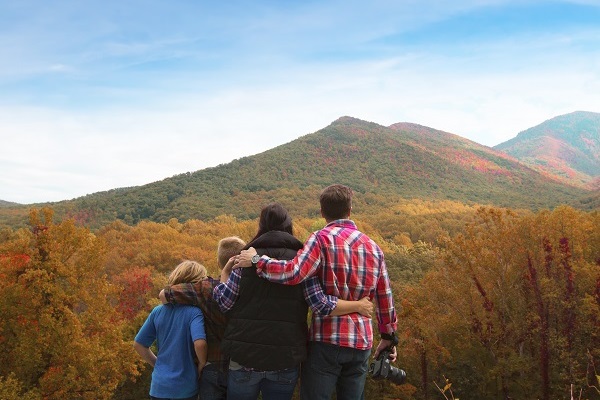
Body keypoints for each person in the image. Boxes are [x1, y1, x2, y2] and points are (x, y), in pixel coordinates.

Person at [165, 203, 372, 400]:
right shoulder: (301, 262)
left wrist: (224, 274)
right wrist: (358, 305)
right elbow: (319, 303)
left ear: (261, 226)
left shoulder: (246, 259)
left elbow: (224, 303)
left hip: (244, 360)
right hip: (285, 360)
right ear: (288, 225)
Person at [235, 185, 398, 400]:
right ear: (350, 210)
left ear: (322, 212)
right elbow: (385, 297)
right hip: (361, 342)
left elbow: (293, 272)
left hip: (326, 341)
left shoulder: (320, 239)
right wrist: (388, 336)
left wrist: (257, 260)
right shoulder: (373, 247)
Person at [159, 236, 246, 400]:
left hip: (212, 365)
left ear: (219, 263)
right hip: (241, 366)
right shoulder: (252, 287)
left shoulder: (204, 289)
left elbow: (164, 295)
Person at [134, 260, 208, 400]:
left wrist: (158, 364)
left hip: (158, 387)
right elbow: (200, 344)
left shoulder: (157, 311)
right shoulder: (194, 313)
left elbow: (139, 344)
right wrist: (202, 364)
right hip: (184, 387)